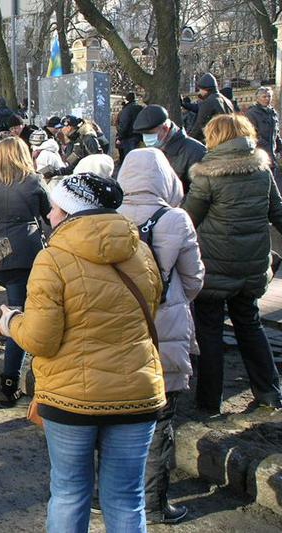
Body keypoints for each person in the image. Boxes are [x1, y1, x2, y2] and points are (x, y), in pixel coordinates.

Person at [0, 172, 165, 533]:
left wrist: (11, 323)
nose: (50, 216)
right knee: (127, 498)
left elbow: (41, 340)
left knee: (70, 493)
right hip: (137, 392)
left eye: (55, 208)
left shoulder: (52, 260)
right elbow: (152, 307)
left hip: (71, 398)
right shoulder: (142, 251)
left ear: (71, 213)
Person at [117, 148, 205, 525]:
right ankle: (153, 504)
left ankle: (107, 496)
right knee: (159, 417)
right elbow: (195, 278)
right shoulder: (177, 219)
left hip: (117, 328)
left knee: (113, 413)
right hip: (164, 329)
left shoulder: (109, 217)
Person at [182, 114, 282, 413]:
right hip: (251, 266)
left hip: (214, 268)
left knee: (209, 331)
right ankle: (268, 391)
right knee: (249, 324)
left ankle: (208, 402)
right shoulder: (262, 170)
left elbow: (188, 219)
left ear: (215, 137)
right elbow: (277, 211)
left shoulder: (208, 174)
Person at [0, 137, 50, 406]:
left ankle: (12, 376)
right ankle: (9, 383)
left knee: (17, 306)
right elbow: (50, 216)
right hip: (25, 252)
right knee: (20, 314)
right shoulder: (33, 181)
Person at [132, 104, 206, 193]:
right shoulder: (151, 150)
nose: (146, 139)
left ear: (165, 128)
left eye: (150, 134)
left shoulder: (195, 151)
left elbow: (200, 194)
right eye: (144, 134)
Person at [245, 87, 280, 181]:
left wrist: (279, 146)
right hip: (259, 156)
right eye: (264, 96)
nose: (267, 99)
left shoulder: (273, 113)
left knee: (273, 184)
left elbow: (276, 134)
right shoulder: (252, 113)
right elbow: (252, 135)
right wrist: (265, 146)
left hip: (272, 157)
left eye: (269, 96)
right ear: (257, 98)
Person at [188, 72, 234, 143]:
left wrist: (189, 139)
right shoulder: (227, 101)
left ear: (206, 89)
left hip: (216, 140)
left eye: (200, 89)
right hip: (229, 139)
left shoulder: (209, 102)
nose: (199, 92)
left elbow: (199, 124)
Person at [116, 92, 144, 161]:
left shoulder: (126, 110)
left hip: (129, 139)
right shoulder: (141, 108)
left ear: (127, 100)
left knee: (129, 161)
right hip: (141, 138)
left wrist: (119, 138)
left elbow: (124, 126)